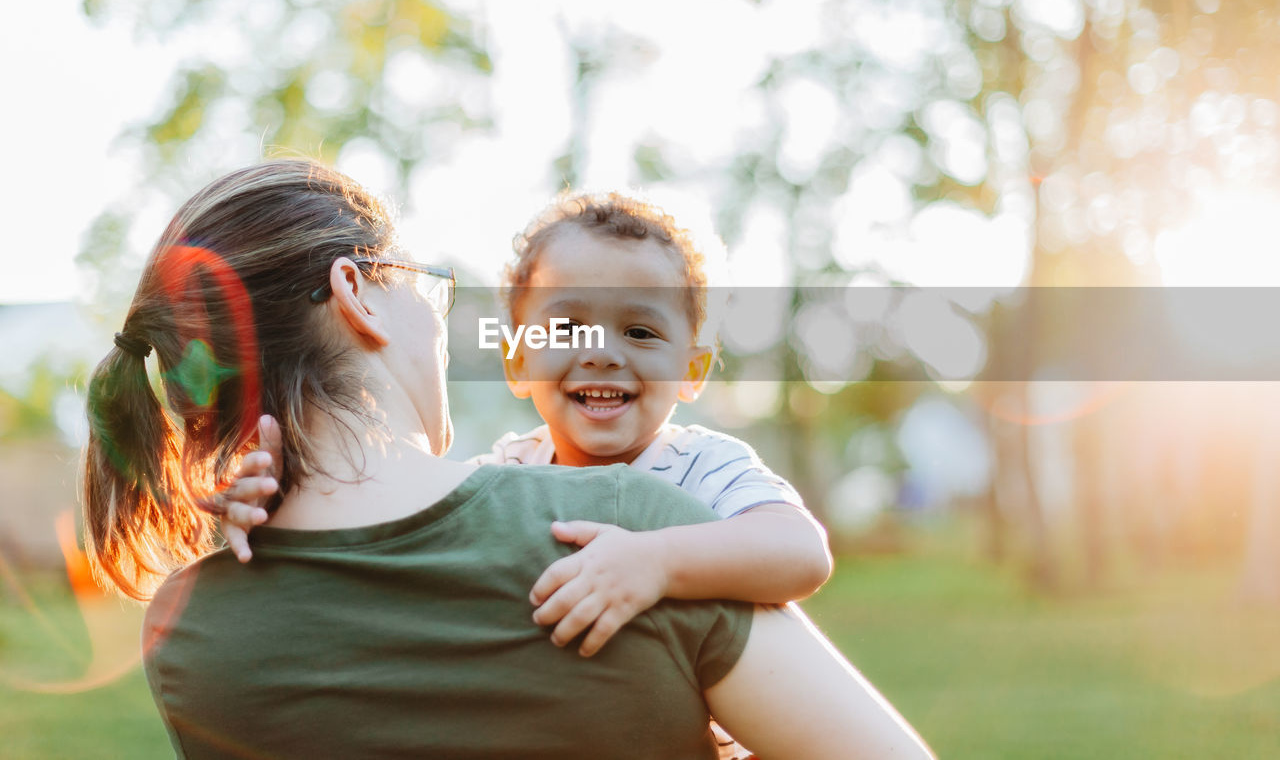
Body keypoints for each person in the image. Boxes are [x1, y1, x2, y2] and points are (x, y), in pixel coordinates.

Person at [84, 160, 932, 758]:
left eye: (639, 331)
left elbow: (800, 546)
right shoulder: (611, 524)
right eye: (422, 283)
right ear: (356, 293)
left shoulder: (187, 631)